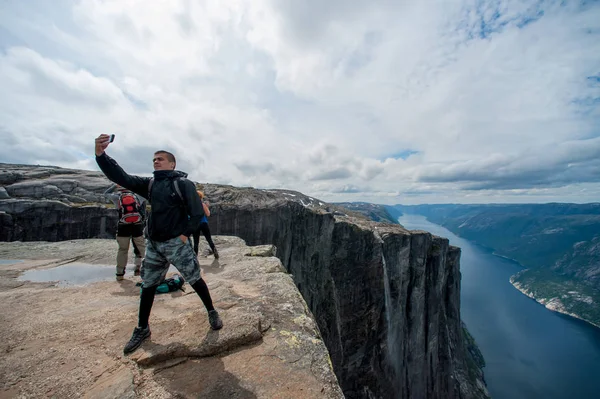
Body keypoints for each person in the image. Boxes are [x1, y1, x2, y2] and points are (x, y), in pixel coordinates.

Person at [94, 134, 223, 355]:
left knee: (194, 278)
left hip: (176, 243)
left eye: (161, 159)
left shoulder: (183, 184)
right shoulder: (150, 184)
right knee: (148, 285)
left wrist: (183, 236)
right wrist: (100, 155)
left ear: (172, 164)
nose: (156, 161)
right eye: (154, 159)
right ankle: (142, 328)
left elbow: (196, 213)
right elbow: (122, 177)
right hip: (154, 244)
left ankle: (211, 311)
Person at [103, 183, 147, 280]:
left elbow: (105, 194)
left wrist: (114, 185)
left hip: (123, 225)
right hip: (137, 225)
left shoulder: (116, 197)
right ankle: (143, 269)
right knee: (142, 248)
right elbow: (147, 193)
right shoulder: (137, 196)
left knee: (123, 250)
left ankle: (120, 274)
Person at [192, 188, 219, 259]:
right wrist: (207, 207)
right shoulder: (203, 205)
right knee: (209, 239)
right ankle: (214, 251)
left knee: (196, 242)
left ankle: (195, 257)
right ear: (201, 197)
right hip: (203, 223)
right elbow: (208, 214)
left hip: (195, 224)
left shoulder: (191, 205)